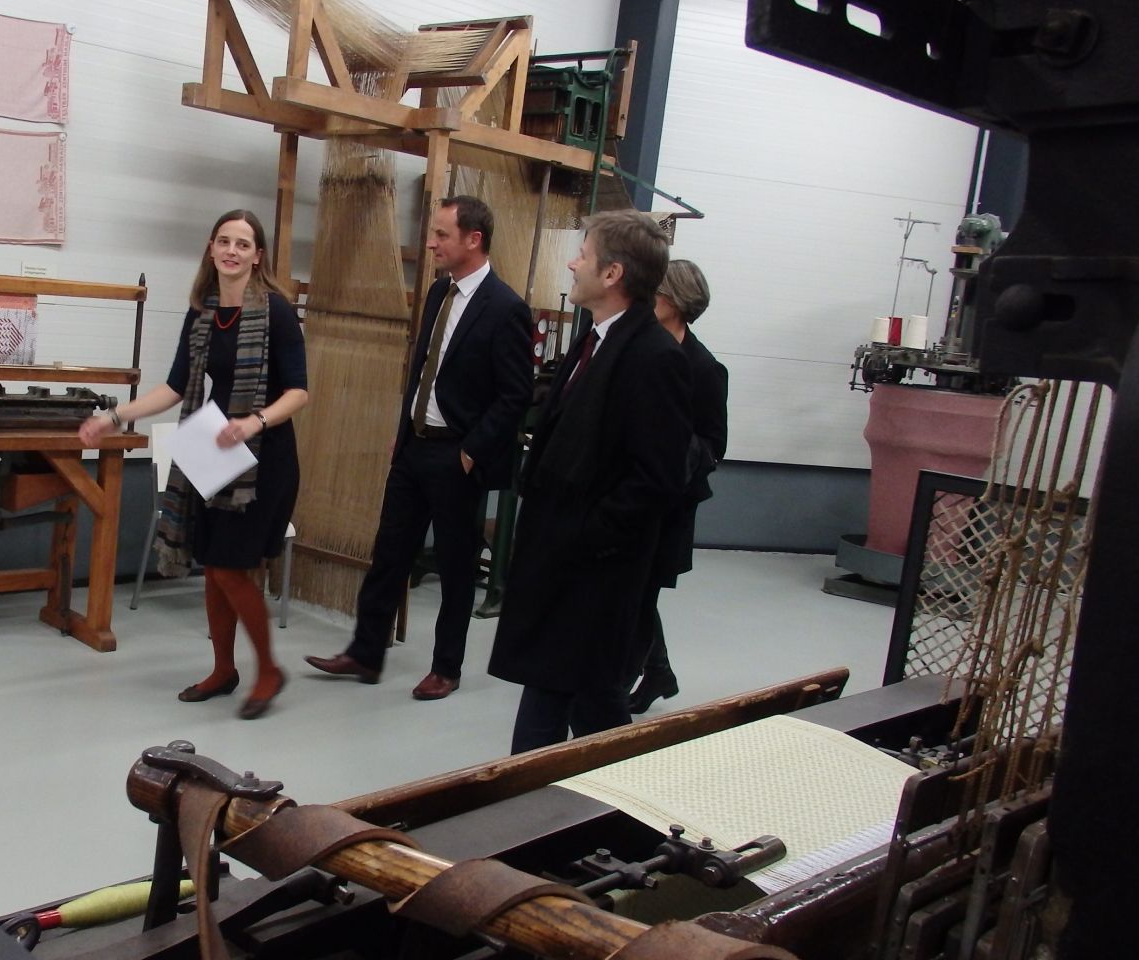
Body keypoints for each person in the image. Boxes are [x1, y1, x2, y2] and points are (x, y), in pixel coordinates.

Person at [80, 209, 308, 719]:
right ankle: (223, 669)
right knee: (214, 567)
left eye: (243, 244)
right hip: (213, 450)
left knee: (230, 568)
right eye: (224, 241)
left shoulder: (276, 311)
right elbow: (175, 387)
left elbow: (299, 392)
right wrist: (116, 416)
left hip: (265, 456)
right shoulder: (202, 313)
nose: (232, 251)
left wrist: (255, 422)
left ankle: (268, 669)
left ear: (258, 256)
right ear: (210, 249)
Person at [305, 195, 534, 700]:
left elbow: (517, 393)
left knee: (455, 568)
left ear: (473, 240)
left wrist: (471, 451)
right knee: (389, 554)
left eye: (442, 235)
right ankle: (366, 653)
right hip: (414, 449)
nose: (431, 243)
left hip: (458, 458)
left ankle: (446, 668)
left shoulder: (506, 309)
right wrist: (406, 426)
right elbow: (423, 366)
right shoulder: (437, 293)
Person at [489, 209, 691, 754]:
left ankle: (559, 815)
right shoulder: (596, 340)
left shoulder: (651, 359)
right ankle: (538, 811)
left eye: (584, 252)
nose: (573, 262)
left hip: (594, 575)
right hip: (564, 566)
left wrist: (585, 535)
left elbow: (658, 477)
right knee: (560, 699)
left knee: (582, 706)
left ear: (612, 274)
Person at [630, 259, 729, 714]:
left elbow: (713, 443)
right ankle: (658, 671)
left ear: (675, 303)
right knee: (633, 586)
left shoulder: (705, 368)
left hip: (669, 499)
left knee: (640, 587)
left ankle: (624, 680)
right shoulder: (638, 346)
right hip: (633, 488)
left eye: (657, 292)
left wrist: (669, 451)